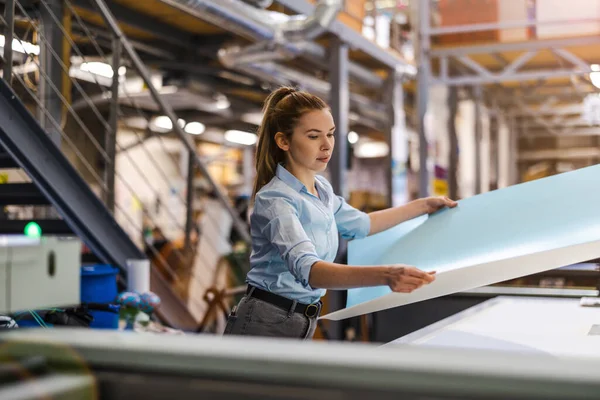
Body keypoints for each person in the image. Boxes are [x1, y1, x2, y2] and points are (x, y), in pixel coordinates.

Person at [222, 87, 457, 340]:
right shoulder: (275, 200)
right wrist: (387, 275)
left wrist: (422, 206)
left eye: (331, 135)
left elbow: (362, 224)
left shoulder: (321, 189)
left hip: (300, 318)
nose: (326, 145)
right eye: (313, 136)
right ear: (284, 141)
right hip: (264, 322)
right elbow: (311, 271)